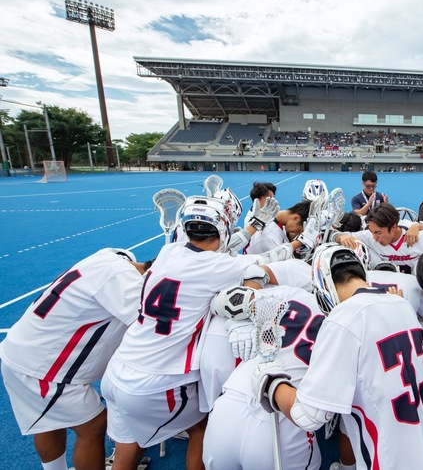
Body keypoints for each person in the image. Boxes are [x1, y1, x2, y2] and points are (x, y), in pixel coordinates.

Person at [100, 197, 279, 470]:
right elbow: (258, 269)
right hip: (156, 380)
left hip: (117, 371)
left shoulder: (168, 252)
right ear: (222, 228)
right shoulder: (218, 266)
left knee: (128, 447)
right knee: (203, 426)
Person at [253, 244, 423, 469]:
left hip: (388, 459)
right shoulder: (402, 304)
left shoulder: (343, 318)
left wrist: (271, 382)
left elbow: (308, 415)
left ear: (322, 283)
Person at [0, 248, 151, 470]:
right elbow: (150, 328)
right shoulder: (126, 282)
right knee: (94, 426)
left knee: (49, 421)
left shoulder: (110, 257)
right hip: (44, 368)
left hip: (20, 350)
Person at [202, 285, 325, 470]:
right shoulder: (349, 324)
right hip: (284, 422)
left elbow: (223, 300)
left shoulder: (291, 293)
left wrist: (236, 322)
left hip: (231, 403)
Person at [334, 203, 423, 274]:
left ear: (393, 227)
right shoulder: (370, 237)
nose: (374, 237)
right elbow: (336, 235)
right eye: (372, 232)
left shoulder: (418, 237)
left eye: (378, 233)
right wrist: (340, 237)